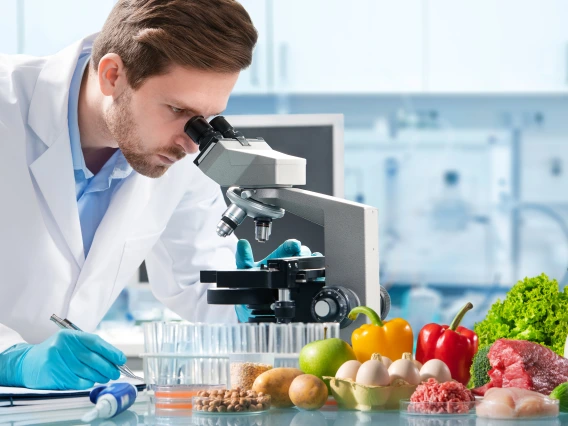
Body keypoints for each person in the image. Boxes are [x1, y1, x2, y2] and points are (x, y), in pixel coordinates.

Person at [0, 0, 313, 390]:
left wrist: (252, 296)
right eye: (177, 109)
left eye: (206, 118)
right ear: (112, 75)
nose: (192, 142)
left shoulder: (176, 149)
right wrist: (9, 358)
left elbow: (197, 279)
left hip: (60, 404)